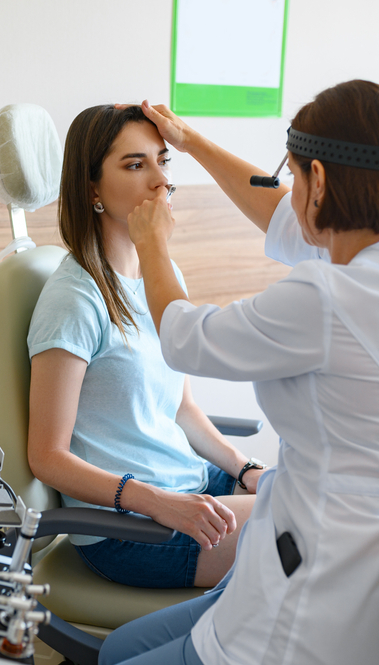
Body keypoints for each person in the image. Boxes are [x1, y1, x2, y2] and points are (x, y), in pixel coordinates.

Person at [100, 80, 379, 664]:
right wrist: (191, 142)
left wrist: (153, 246)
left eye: (292, 175)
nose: (289, 192)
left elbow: (182, 337)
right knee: (120, 647)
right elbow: (284, 223)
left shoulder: (329, 299)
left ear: (320, 180)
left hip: (320, 591)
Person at [26, 104, 262, 589]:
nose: (161, 181)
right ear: (92, 188)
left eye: (163, 160)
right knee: (311, 530)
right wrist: (157, 502)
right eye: (135, 165)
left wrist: (245, 470)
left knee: (320, 499)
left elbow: (182, 409)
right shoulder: (75, 298)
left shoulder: (161, 274)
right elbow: (46, 456)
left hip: (188, 484)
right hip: (128, 527)